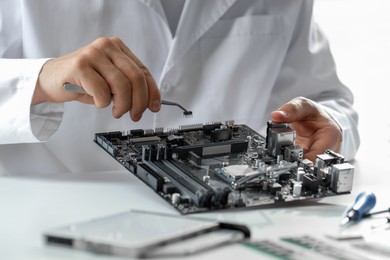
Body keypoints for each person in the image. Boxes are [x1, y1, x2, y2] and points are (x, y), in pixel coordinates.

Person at [0, 0, 359, 175]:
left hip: (224, 227)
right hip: (46, 219)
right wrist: (38, 79)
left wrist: (333, 126)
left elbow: (327, 100)